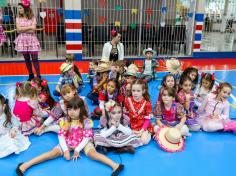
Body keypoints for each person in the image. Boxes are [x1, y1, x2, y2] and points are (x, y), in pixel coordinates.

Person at [16, 96, 124, 176]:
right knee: (51, 153)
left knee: (92, 154)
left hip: (83, 142)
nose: (71, 112)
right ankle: (25, 165)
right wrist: (66, 150)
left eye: (75, 109)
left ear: (81, 109)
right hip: (68, 141)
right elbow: (61, 136)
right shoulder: (65, 120)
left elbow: (86, 138)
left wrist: (77, 149)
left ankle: (115, 165)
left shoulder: (86, 122)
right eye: (69, 109)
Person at [14, 2, 41, 80]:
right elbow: (18, 30)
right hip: (22, 41)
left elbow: (33, 30)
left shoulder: (32, 17)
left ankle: (38, 76)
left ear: (25, 8)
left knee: (35, 59)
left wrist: (23, 28)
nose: (19, 10)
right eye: (18, 8)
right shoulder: (18, 18)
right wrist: (29, 27)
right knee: (27, 60)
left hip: (32, 40)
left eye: (20, 8)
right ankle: (31, 75)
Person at [123, 79, 153, 145]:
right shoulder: (127, 100)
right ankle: (135, 138)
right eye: (133, 90)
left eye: (138, 91)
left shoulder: (147, 103)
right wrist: (127, 127)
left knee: (144, 141)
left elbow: (147, 120)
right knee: (123, 135)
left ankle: (148, 133)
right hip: (131, 126)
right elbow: (125, 114)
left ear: (143, 91)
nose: (135, 93)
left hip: (143, 126)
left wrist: (142, 131)